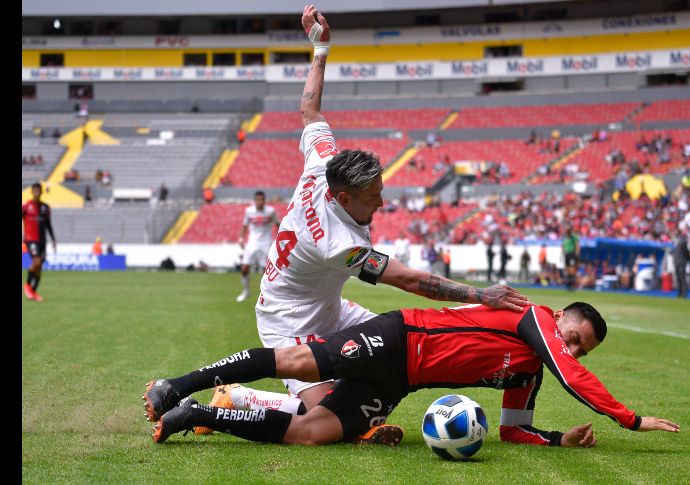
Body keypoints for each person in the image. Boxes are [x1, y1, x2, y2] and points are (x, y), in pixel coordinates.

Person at [143, 4, 529, 447]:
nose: (382, 203)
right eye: (372, 198)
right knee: (322, 417)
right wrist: (481, 295)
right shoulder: (336, 241)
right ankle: (236, 398)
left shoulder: (324, 161)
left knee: (388, 359)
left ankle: (342, 418)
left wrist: (320, 49)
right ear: (344, 198)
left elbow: (309, 110)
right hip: (289, 318)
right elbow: (408, 280)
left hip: (331, 306)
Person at [144, 301, 680, 447]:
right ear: (560, 317)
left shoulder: (533, 369)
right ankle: (178, 384)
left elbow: (514, 429)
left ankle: (202, 411)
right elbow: (570, 375)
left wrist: (560, 439)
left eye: (580, 350)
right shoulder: (533, 320)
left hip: (401, 381)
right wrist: (629, 419)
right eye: (574, 337)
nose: (572, 350)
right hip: (399, 336)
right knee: (294, 360)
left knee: (313, 432)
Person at [236, 191, 280, 303]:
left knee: (267, 272)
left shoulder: (271, 211)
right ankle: (246, 291)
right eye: (258, 200)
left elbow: (277, 224)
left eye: (262, 200)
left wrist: (279, 239)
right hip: (252, 243)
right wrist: (241, 239)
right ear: (255, 201)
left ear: (264, 201)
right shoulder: (249, 211)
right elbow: (245, 226)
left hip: (266, 243)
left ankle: (269, 295)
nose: (260, 202)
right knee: (244, 268)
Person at [22, 182, 57, 301]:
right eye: (34, 190)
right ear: (31, 192)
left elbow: (48, 224)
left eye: (38, 190)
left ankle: (33, 292)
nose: (37, 192)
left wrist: (53, 239)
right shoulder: (26, 207)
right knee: (36, 262)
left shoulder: (45, 208)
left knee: (40, 266)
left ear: (41, 192)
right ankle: (27, 285)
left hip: (42, 240)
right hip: (30, 239)